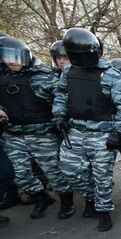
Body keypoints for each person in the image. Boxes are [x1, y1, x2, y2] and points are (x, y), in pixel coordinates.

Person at [53, 28, 121, 231]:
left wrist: (118, 131)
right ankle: (90, 197)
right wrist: (59, 116)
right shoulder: (68, 72)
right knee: (69, 169)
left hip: (102, 134)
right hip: (75, 131)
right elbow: (61, 94)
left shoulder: (111, 76)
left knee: (102, 175)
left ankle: (103, 211)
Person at [0, 36, 74, 219]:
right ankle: (40, 196)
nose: (12, 61)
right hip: (13, 135)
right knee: (18, 174)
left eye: (15, 57)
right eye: (7, 57)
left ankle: (66, 201)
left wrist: (59, 117)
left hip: (42, 134)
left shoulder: (43, 76)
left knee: (54, 172)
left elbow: (61, 99)